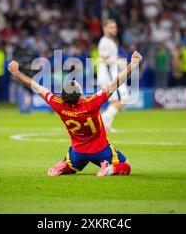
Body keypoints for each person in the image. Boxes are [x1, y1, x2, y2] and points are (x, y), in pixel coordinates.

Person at [8, 50, 143, 177]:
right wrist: (134, 64)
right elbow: (116, 82)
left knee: (71, 166)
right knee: (126, 165)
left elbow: (36, 86)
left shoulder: (59, 105)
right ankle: (109, 169)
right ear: (79, 94)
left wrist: (16, 73)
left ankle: (63, 166)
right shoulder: (92, 103)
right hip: (100, 149)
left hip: (78, 152)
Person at [97, 19, 129, 132]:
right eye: (111, 27)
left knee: (113, 102)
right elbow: (103, 59)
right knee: (124, 99)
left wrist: (118, 61)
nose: (114, 29)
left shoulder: (110, 41)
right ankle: (100, 122)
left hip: (110, 74)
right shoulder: (104, 41)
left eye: (114, 27)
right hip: (109, 75)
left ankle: (107, 127)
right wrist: (118, 62)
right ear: (104, 28)